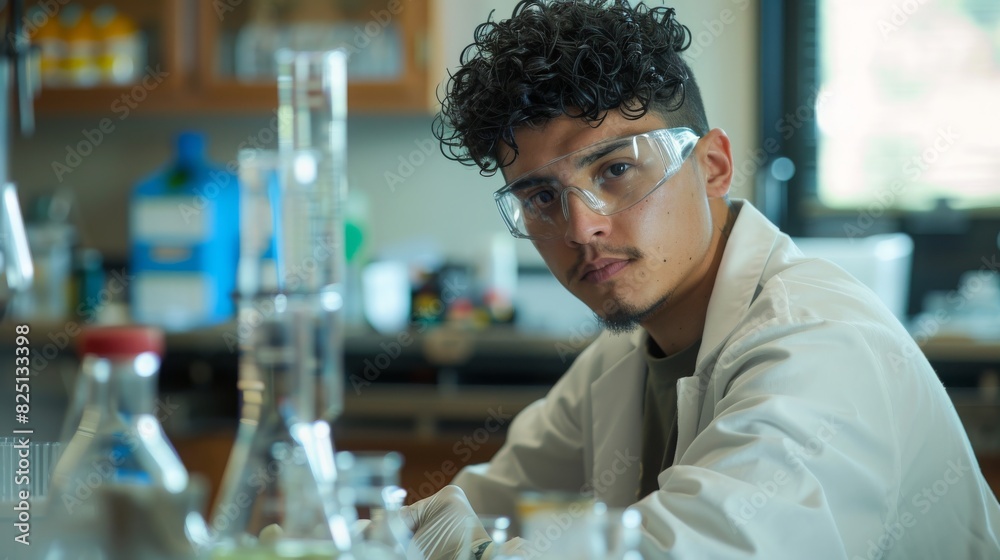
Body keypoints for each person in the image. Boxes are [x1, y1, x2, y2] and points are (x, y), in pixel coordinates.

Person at [398, 1, 1000, 558]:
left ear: (713, 166)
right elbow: (485, 500)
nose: (582, 228)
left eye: (615, 170)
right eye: (541, 197)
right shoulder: (617, 364)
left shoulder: (818, 342)